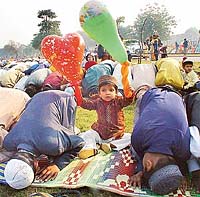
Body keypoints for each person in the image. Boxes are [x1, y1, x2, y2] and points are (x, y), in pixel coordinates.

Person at [3, 90, 84, 189]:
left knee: (67, 134)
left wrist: (58, 165)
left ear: (37, 164)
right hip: (36, 98)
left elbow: (79, 142)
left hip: (64, 99)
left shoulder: (53, 145)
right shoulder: (8, 142)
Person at [129, 87, 191, 195]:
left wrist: (177, 176)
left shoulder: (184, 150)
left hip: (177, 97)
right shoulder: (137, 137)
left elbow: (181, 161)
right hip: (149, 96)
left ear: (148, 164)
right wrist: (140, 169)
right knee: (139, 113)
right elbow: (136, 152)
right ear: (148, 164)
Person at [78, 75, 135, 159]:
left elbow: (128, 100)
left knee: (132, 138)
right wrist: (78, 93)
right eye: (103, 90)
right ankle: (90, 148)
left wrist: (129, 93)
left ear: (116, 92)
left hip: (115, 136)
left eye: (111, 90)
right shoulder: (97, 102)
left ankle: (111, 146)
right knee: (88, 134)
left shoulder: (119, 101)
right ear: (99, 93)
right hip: (100, 133)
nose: (107, 92)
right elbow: (84, 104)